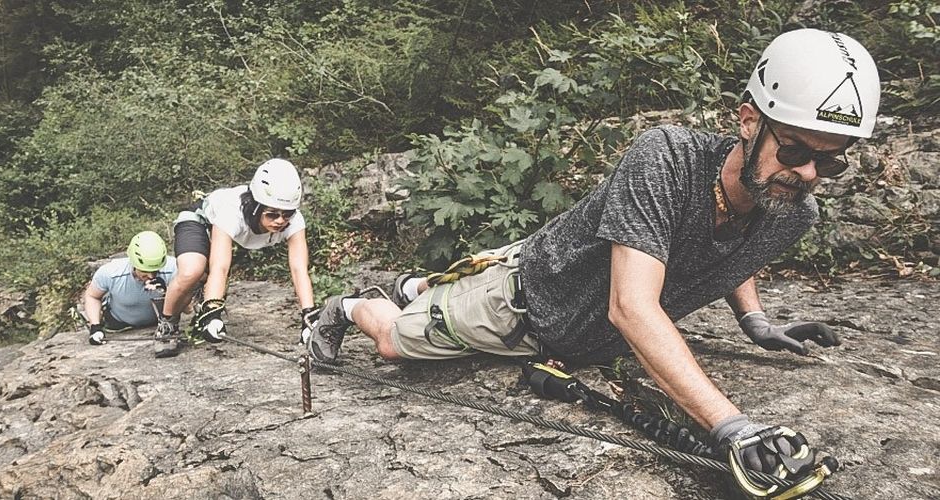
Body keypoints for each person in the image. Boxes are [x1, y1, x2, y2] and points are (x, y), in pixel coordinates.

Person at [306, 28, 881, 479]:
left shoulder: (794, 208)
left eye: (830, 161)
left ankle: (421, 287)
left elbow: (737, 249)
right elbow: (631, 308)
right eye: (796, 149)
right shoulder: (669, 159)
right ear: (749, 119)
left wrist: (754, 321)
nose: (806, 173)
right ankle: (348, 305)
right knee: (390, 344)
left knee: (445, 290)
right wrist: (730, 427)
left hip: (557, 281)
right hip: (522, 308)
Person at [154, 158, 317, 358]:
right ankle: (167, 323)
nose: (281, 221)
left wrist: (308, 317)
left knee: (203, 276)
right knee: (192, 271)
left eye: (287, 214)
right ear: (256, 206)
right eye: (272, 214)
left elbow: (299, 269)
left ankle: (198, 291)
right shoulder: (232, 213)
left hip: (236, 238)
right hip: (199, 221)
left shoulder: (294, 221)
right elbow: (220, 267)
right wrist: (213, 311)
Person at [82, 231, 177, 345]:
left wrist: (171, 290)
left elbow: (188, 309)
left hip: (160, 323)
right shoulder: (110, 273)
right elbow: (92, 296)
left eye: (155, 271)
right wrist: (95, 326)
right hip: (118, 324)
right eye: (144, 271)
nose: (151, 276)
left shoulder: (174, 269)